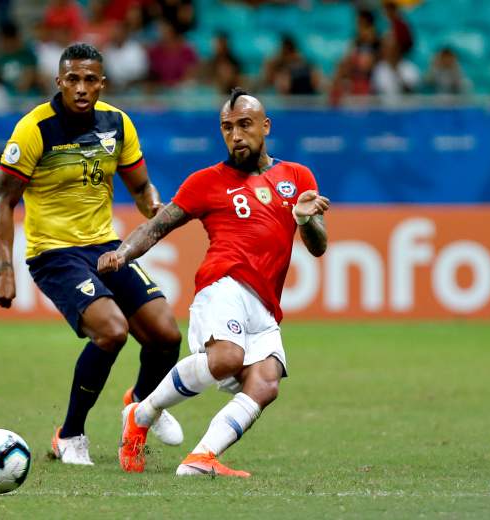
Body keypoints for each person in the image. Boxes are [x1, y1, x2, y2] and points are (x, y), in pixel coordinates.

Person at [98, 87, 330, 477]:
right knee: (227, 359)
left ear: (265, 126)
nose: (236, 135)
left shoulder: (297, 177)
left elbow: (319, 247)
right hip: (223, 284)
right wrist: (123, 253)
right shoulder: (207, 182)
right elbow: (158, 225)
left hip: (266, 305)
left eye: (244, 125)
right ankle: (143, 412)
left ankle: (201, 457)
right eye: (227, 127)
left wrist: (306, 219)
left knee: (266, 382)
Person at [0, 43, 184, 466]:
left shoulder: (117, 123)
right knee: (112, 330)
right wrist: (4, 268)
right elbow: (2, 201)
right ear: (58, 81)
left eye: (90, 79)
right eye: (73, 79)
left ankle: (142, 402)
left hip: (105, 248)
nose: (81, 87)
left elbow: (139, 185)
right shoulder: (35, 129)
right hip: (53, 253)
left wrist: (154, 205)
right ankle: (70, 434)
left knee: (167, 334)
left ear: (102, 83)